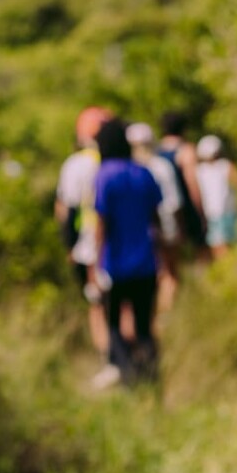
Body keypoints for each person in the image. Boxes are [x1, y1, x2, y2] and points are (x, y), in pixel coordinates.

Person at [94, 118, 163, 385]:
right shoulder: (143, 173)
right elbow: (155, 219)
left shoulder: (104, 175)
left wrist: (97, 264)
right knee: (144, 326)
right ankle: (150, 375)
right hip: (146, 262)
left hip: (116, 263)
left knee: (114, 325)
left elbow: (101, 223)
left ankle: (128, 376)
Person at [55, 107, 112, 357]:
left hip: (88, 244)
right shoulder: (116, 159)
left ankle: (107, 355)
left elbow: (67, 207)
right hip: (115, 243)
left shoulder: (76, 164)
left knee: (96, 303)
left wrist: (69, 244)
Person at [127, 122, 182, 314]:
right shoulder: (162, 166)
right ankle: (163, 316)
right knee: (169, 273)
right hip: (165, 225)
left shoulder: (128, 169)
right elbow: (173, 202)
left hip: (139, 230)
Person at [157, 111, 206, 259]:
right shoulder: (186, 150)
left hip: (163, 208)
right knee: (200, 253)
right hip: (186, 208)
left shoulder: (156, 151)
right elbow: (192, 183)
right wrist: (201, 212)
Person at [196, 134, 237, 258]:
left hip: (213, 213)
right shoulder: (225, 165)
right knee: (227, 245)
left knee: (218, 245)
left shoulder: (200, 170)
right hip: (226, 211)